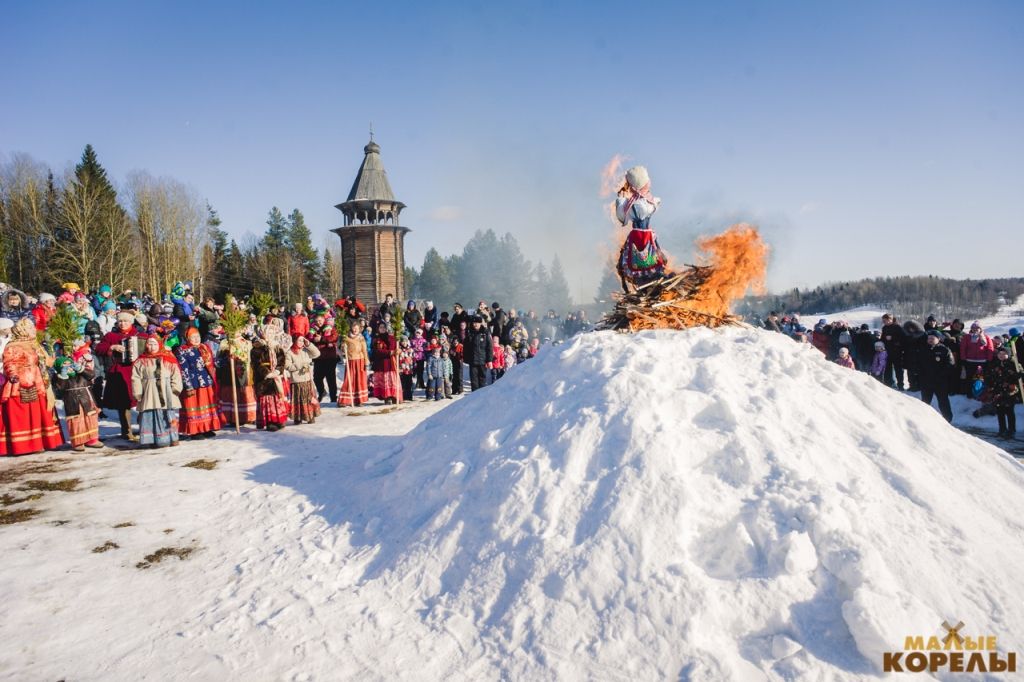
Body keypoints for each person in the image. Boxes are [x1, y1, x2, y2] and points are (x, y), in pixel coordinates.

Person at [1, 318, 65, 456]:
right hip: (22, 383)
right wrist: (14, 375)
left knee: (39, 412)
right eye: (30, 328)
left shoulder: (34, 344)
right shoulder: (13, 346)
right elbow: (9, 363)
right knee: (25, 414)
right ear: (22, 330)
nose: (33, 330)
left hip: (39, 381)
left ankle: (41, 442)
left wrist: (61, 354)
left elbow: (47, 362)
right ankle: (25, 446)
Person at [615, 165, 667, 288]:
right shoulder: (638, 204)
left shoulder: (638, 201)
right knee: (646, 258)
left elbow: (622, 216)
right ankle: (647, 280)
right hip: (642, 237)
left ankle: (648, 279)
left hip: (643, 235)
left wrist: (621, 200)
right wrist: (621, 200)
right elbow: (626, 217)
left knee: (652, 257)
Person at [96, 311, 143, 441]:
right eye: (120, 321)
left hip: (138, 372)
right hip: (120, 372)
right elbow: (99, 349)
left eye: (126, 321)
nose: (123, 323)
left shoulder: (140, 335)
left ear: (131, 322)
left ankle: (144, 427)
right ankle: (126, 431)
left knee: (143, 400)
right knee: (124, 403)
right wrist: (112, 347)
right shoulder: (111, 336)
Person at [131, 335, 184, 449]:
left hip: (166, 391)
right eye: (149, 344)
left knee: (167, 415)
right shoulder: (141, 361)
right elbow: (135, 378)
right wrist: (138, 392)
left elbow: (176, 374)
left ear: (159, 345)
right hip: (149, 391)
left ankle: (172, 437)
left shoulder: (168, 359)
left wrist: (176, 387)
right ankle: (154, 439)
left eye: (155, 344)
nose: (152, 347)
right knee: (150, 415)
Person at [174, 327, 221, 439]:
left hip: (206, 382)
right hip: (193, 384)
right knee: (194, 407)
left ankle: (206, 428)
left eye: (198, 337)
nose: (196, 339)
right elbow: (183, 369)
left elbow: (212, 363)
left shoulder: (204, 348)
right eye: (193, 337)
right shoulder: (182, 350)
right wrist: (188, 385)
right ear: (187, 338)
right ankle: (195, 431)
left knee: (207, 406)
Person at [251, 325, 290, 432]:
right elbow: (256, 363)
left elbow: (282, 360)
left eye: (272, 333)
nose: (270, 335)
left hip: (276, 376)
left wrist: (278, 371)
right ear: (263, 334)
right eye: (268, 333)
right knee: (267, 399)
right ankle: (270, 421)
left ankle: (278, 420)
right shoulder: (257, 347)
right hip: (263, 378)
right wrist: (266, 373)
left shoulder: (277, 347)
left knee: (276, 398)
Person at [217, 331, 257, 427]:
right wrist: (227, 356)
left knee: (245, 393)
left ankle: (247, 416)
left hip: (245, 371)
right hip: (229, 373)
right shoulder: (225, 343)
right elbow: (219, 359)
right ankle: (231, 417)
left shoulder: (247, 342)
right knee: (231, 393)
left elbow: (250, 357)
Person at [919, 330, 955, 422]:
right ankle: (923, 420)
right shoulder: (923, 349)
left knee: (943, 402)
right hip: (926, 381)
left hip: (940, 382)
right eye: (929, 338)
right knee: (925, 403)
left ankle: (948, 420)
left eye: (932, 338)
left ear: (938, 339)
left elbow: (950, 364)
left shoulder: (945, 350)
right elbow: (917, 364)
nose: (930, 340)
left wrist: (941, 375)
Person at [985, 346, 1021, 438]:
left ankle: (1011, 430)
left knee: (1009, 411)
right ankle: (1002, 429)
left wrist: (1018, 375)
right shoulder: (995, 364)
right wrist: (990, 384)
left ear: (1008, 354)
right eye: (999, 354)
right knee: (1000, 410)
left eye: (1003, 354)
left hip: (1010, 390)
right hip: (998, 390)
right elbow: (991, 375)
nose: (1001, 355)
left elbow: (1020, 376)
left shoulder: (1014, 364)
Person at [285, 335, 321, 425]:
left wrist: (309, 345)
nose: (301, 342)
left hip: (307, 379)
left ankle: (310, 415)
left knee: (308, 398)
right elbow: (287, 366)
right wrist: (299, 365)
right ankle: (298, 417)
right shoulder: (289, 352)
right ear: (294, 341)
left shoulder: (306, 350)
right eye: (299, 340)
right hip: (297, 381)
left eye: (302, 340)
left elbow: (317, 354)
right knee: (298, 400)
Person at [309, 313, 340, 404]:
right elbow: (309, 339)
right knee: (317, 378)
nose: (319, 322)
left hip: (329, 357)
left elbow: (334, 337)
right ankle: (322, 392)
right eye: (317, 321)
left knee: (331, 379)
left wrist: (322, 339)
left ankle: (333, 397)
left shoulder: (330, 328)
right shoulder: (313, 330)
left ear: (324, 320)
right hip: (318, 357)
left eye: (320, 320)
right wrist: (313, 339)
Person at [338, 320, 369, 407]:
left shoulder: (361, 338)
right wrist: (344, 347)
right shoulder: (346, 337)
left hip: (360, 360)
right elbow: (342, 350)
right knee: (349, 379)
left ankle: (359, 400)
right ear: (351, 328)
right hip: (351, 361)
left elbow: (364, 350)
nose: (355, 330)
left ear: (359, 329)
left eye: (357, 328)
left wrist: (366, 361)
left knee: (359, 380)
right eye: (353, 328)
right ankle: (345, 400)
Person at [959, 322, 994, 393]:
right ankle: (970, 392)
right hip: (969, 361)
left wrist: (989, 360)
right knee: (969, 378)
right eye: (973, 328)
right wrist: (963, 359)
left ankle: (981, 393)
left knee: (981, 378)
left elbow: (990, 349)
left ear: (980, 329)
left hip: (982, 361)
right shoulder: (967, 337)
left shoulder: (986, 337)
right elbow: (963, 348)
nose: (975, 329)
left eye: (977, 328)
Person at [371, 323, 400, 405]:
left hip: (391, 363)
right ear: (378, 329)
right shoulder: (376, 339)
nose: (382, 329)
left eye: (384, 327)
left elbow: (394, 348)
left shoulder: (392, 338)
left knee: (392, 381)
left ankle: (394, 396)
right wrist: (390, 352)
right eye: (381, 327)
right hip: (381, 364)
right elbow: (378, 351)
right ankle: (386, 397)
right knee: (384, 381)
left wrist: (397, 350)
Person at [465, 316, 493, 391]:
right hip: (473, 360)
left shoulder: (485, 332)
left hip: (482, 360)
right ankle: (474, 397)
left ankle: (481, 396)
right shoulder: (469, 332)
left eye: (477, 323)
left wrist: (489, 360)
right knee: (474, 381)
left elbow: (490, 347)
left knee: (482, 380)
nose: (475, 324)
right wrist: (466, 358)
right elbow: (466, 347)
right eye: (474, 323)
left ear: (480, 323)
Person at [881, 313, 907, 390]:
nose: (884, 322)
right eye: (883, 321)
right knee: (887, 369)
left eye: (885, 320)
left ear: (890, 319)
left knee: (898, 369)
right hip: (887, 351)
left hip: (897, 351)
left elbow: (903, 339)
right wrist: (881, 342)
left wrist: (892, 338)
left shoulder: (898, 327)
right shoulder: (884, 328)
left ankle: (900, 385)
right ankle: (888, 383)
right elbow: (882, 338)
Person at [398, 336, 415, 402]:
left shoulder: (410, 349)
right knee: (403, 383)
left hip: (409, 368)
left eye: (405, 341)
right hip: (402, 368)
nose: (404, 343)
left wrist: (414, 366)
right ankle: (403, 397)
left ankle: (409, 396)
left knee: (409, 382)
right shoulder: (399, 349)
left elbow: (413, 358)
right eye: (403, 341)